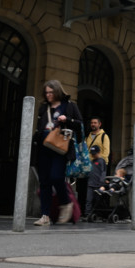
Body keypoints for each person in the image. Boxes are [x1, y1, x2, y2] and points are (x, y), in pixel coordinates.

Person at [33, 80, 82, 226]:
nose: (48, 95)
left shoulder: (70, 105)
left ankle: (66, 203)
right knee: (44, 181)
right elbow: (39, 126)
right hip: (44, 146)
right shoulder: (43, 107)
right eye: (46, 92)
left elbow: (79, 124)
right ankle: (45, 215)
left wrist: (67, 119)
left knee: (56, 177)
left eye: (51, 92)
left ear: (57, 91)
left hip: (61, 147)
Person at [84, 116, 110, 216]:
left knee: (100, 188)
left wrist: (97, 160)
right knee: (89, 189)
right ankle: (88, 212)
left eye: (95, 123)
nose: (93, 124)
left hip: (100, 165)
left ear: (99, 124)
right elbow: (86, 151)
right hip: (89, 167)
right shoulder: (88, 137)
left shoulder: (104, 136)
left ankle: (100, 213)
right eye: (91, 123)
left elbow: (106, 152)